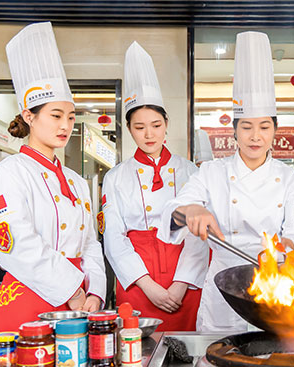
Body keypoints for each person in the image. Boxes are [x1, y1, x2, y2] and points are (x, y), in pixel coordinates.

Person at [158, 31, 294, 333]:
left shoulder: (289, 178)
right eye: (247, 127)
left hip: (273, 285)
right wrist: (191, 211)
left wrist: (285, 250)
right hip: (222, 283)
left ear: (275, 130)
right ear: (235, 131)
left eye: (264, 127)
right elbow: (175, 209)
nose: (256, 136)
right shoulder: (212, 172)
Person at [0, 22, 106, 341]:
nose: (65, 125)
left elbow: (90, 242)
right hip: (27, 305)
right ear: (29, 115)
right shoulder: (7, 174)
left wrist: (95, 295)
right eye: (55, 115)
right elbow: (16, 246)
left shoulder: (76, 182)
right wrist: (75, 292)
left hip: (79, 306)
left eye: (71, 116)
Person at [102, 42, 207, 331]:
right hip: (136, 280)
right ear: (129, 129)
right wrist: (147, 285)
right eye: (139, 127)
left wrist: (180, 285)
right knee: (138, 351)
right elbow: (113, 237)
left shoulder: (191, 171)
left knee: (188, 349)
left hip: (184, 278)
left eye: (156, 124)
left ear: (166, 124)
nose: (149, 134)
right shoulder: (115, 177)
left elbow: (198, 236)